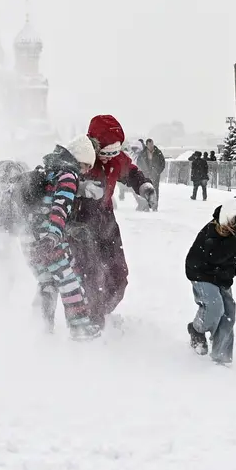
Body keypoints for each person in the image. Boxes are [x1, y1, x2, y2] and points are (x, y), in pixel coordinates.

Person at [69, 114, 157, 321]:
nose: (110, 156)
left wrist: (144, 186)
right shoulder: (79, 158)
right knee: (89, 273)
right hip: (80, 222)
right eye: (106, 152)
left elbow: (132, 172)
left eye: (115, 152)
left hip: (106, 220)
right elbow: (58, 182)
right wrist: (80, 188)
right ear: (95, 146)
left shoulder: (116, 160)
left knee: (118, 275)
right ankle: (91, 318)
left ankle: (101, 311)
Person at [25, 142, 104, 339]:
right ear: (79, 160)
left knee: (47, 281)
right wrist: (53, 234)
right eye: (86, 165)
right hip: (47, 237)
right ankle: (79, 328)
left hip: (27, 237)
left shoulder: (51, 168)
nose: (85, 171)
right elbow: (60, 205)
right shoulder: (69, 174)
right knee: (69, 279)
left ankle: (42, 328)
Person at [183, 196, 236, 366]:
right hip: (201, 272)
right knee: (214, 306)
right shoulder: (213, 231)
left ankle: (221, 357)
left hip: (222, 276)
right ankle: (196, 330)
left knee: (229, 314)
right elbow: (216, 256)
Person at [133, 138, 167, 211]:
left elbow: (163, 163)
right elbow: (139, 163)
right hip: (146, 175)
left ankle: (155, 206)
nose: (151, 146)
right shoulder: (143, 153)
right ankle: (147, 206)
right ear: (147, 145)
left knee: (155, 190)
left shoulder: (158, 152)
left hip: (155, 175)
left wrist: (158, 172)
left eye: (152, 144)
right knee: (146, 190)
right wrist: (142, 172)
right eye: (149, 144)